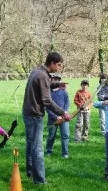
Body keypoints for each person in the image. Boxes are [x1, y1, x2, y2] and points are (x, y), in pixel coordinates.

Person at [22, 51, 71, 184]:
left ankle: (30, 172)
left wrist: (56, 84)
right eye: (59, 65)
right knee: (37, 148)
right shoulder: (43, 76)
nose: (59, 68)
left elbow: (43, 85)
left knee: (30, 144)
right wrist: (62, 113)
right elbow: (47, 101)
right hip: (34, 115)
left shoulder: (37, 71)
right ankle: (39, 180)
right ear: (52, 63)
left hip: (28, 112)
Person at [45, 73, 70, 158]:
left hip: (64, 118)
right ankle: (48, 151)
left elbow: (67, 103)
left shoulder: (64, 92)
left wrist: (64, 113)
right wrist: (55, 116)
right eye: (54, 79)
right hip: (53, 119)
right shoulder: (48, 93)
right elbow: (47, 107)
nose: (56, 81)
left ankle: (65, 153)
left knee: (65, 135)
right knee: (51, 136)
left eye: (58, 79)